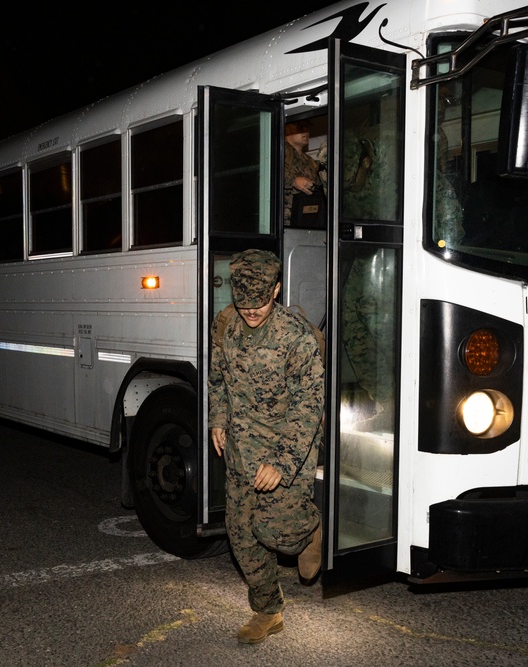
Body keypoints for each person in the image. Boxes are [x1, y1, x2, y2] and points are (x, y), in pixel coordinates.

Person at [208, 249, 325, 644]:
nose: (251, 312)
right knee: (240, 535)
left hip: (285, 450)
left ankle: (308, 529)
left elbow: (310, 406)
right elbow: (217, 379)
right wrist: (218, 418)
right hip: (242, 452)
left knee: (277, 533)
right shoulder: (225, 326)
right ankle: (268, 612)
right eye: (243, 304)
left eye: (259, 303)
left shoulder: (296, 337)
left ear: (275, 290)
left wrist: (282, 461)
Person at [284, 121, 325, 226]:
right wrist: (293, 180)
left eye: (306, 128)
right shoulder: (278, 151)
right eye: (300, 127)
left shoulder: (310, 161)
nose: (305, 131)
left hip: (304, 220)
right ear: (287, 129)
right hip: (283, 221)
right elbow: (266, 173)